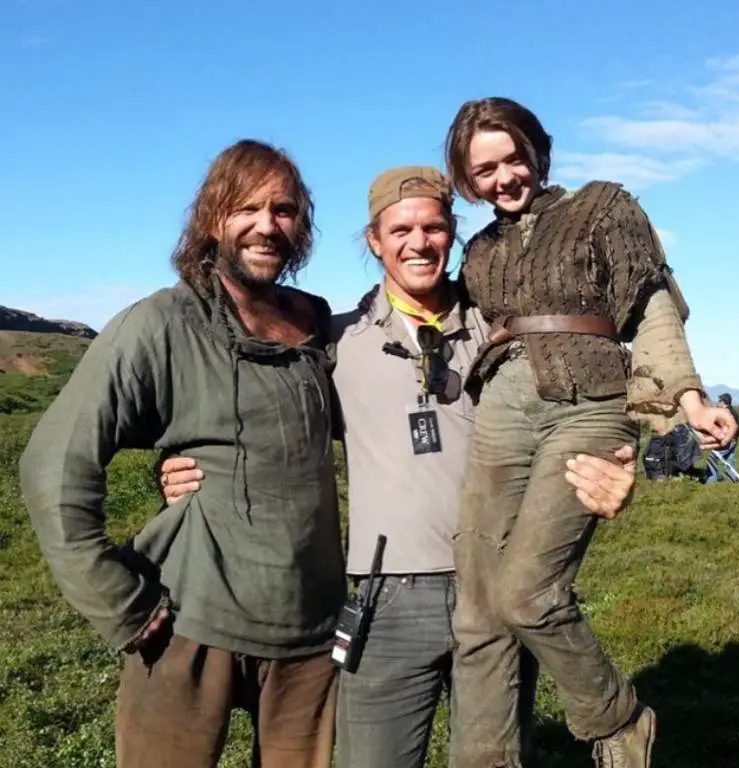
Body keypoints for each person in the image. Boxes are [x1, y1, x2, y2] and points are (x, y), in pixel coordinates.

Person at [160, 165, 639, 768]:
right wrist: (178, 463)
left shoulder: (501, 331)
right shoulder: (335, 341)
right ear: (374, 241)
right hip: (386, 599)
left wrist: (618, 464)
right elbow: (263, 420)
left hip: (489, 588)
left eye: (434, 227)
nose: (419, 242)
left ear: (452, 233)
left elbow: (579, 408)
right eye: (401, 229)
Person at [18, 140, 346, 768]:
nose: (265, 225)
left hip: (309, 630)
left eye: (283, 209)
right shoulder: (162, 323)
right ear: (211, 219)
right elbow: (55, 463)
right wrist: (119, 601)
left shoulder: (312, 323)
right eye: (245, 208)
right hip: (190, 621)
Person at [443, 97, 739, 767]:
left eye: (513, 158)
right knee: (479, 610)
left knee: (527, 592)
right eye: (484, 170)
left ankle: (618, 720)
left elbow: (651, 305)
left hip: (588, 399)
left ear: (537, 152)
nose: (504, 178)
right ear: (467, 179)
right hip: (502, 409)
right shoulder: (481, 249)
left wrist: (689, 399)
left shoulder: (602, 208)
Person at [706, 393, 739, 483]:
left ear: (725, 403)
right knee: (730, 459)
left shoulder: (725, 413)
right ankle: (732, 480)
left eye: (720, 401)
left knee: (712, 458)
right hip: (733, 440)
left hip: (728, 440)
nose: (718, 402)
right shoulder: (732, 411)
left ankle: (711, 481)